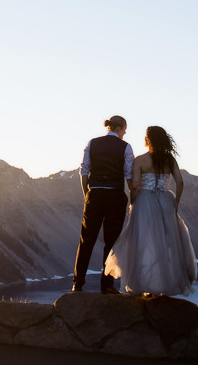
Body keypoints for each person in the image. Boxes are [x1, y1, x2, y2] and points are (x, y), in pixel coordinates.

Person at [104, 125, 197, 296]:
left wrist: (133, 204)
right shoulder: (169, 159)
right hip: (165, 201)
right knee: (167, 243)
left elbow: (134, 187)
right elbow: (180, 182)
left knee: (144, 243)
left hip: (144, 202)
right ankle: (165, 284)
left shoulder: (140, 160)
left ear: (148, 140)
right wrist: (175, 203)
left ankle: (145, 284)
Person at [72, 114, 135, 293]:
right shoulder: (126, 147)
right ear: (121, 128)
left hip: (95, 194)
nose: (124, 134)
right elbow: (129, 175)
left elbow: (84, 171)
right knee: (111, 242)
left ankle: (78, 284)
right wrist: (132, 197)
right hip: (115, 195)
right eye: (124, 130)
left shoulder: (93, 143)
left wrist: (87, 194)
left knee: (86, 240)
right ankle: (106, 286)